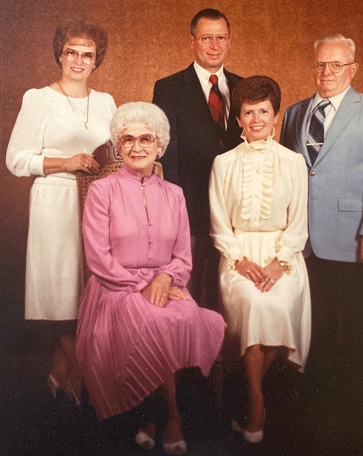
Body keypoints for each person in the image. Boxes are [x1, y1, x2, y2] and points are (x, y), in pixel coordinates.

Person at [75, 102, 225, 455]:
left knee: (187, 315)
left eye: (146, 139)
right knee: (153, 322)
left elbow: (183, 258)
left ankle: (150, 416)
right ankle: (169, 416)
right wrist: (145, 284)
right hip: (114, 287)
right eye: (128, 139)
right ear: (118, 145)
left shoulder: (175, 194)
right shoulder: (101, 191)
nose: (137, 147)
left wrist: (166, 279)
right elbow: (98, 259)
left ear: (160, 146)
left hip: (166, 284)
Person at [280, 34, 363, 412]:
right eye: (320, 64)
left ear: (353, 69)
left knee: (358, 320)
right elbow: (287, 174)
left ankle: (361, 401)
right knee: (316, 321)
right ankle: (320, 396)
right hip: (305, 239)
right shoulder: (295, 112)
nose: (327, 72)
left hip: (353, 236)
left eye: (336, 65)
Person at [6, 18, 116, 405]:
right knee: (60, 295)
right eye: (72, 52)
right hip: (54, 205)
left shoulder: (105, 103)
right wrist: (65, 162)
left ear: (96, 59)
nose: (79, 60)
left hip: (95, 205)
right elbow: (15, 160)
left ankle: (59, 371)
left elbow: (112, 156)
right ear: (60, 54)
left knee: (85, 293)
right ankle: (80, 372)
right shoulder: (39, 98)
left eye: (88, 54)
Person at [209, 75, 311, 444]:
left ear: (276, 115)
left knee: (277, 303)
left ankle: (248, 389)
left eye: (263, 111)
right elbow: (219, 225)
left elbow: (298, 225)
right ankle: (257, 401)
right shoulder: (223, 163)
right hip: (238, 256)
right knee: (253, 302)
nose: (255, 120)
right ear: (237, 118)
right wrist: (239, 261)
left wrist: (277, 263)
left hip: (283, 257)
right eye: (248, 112)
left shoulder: (293, 162)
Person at [152, 8, 242, 310]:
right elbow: (168, 157)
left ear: (229, 41)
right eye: (206, 38)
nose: (214, 45)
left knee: (227, 296)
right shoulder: (169, 89)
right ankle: (188, 357)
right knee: (185, 292)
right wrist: (175, 216)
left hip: (235, 215)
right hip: (190, 212)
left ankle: (223, 357)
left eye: (220, 37)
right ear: (192, 41)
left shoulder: (244, 87)